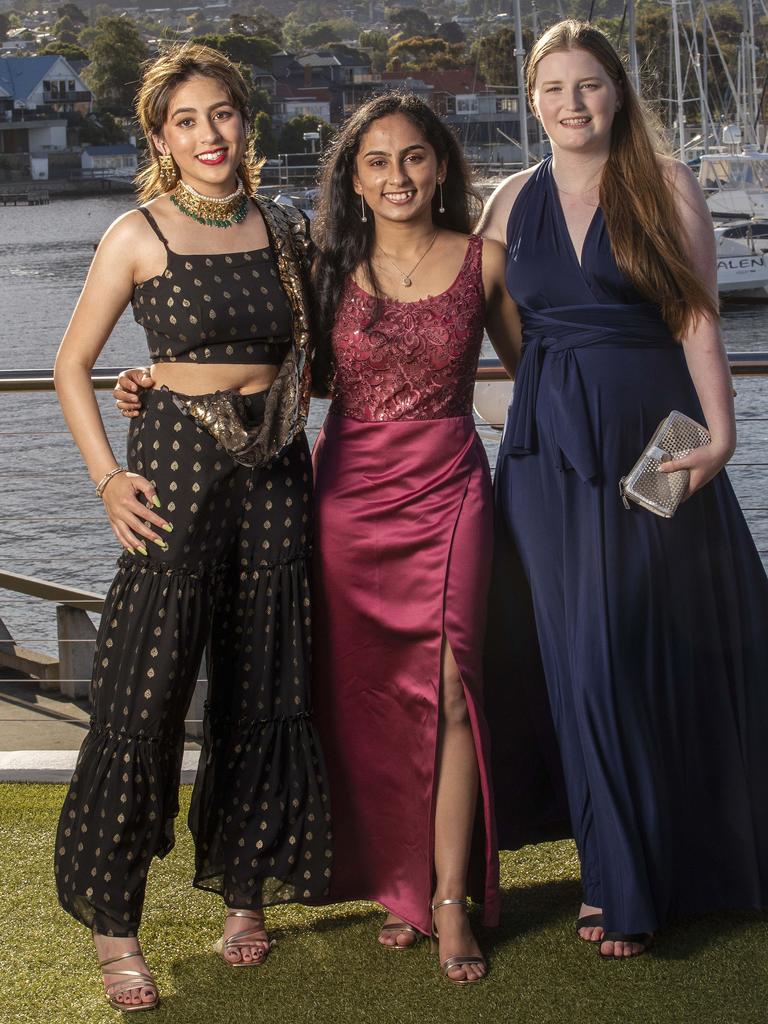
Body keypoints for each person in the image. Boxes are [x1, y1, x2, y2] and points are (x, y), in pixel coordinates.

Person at [480, 19, 768, 959]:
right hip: (544, 462)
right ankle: (618, 882)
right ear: (532, 99)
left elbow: (693, 319)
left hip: (657, 443)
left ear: (618, 94)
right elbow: (495, 329)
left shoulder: (665, 184)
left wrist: (720, 436)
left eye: (591, 85)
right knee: (578, 660)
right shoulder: (507, 200)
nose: (573, 103)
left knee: (645, 647)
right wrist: (531, 407)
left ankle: (688, 860)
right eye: (555, 87)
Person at [53, 43, 331, 1012]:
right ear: (161, 138)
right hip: (172, 469)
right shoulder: (139, 233)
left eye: (223, 114)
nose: (210, 134)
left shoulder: (282, 226)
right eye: (187, 121)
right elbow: (71, 363)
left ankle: (244, 893)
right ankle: (114, 925)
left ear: (245, 123)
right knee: (147, 686)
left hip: (278, 466)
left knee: (265, 679)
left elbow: (321, 359)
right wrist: (104, 478)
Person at [309, 94, 519, 984]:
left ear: (442, 168)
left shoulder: (488, 260)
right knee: (363, 692)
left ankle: (446, 896)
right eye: (377, 162)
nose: (398, 177)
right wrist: (149, 379)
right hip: (348, 499)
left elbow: (540, 376)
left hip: (450, 487)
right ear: (353, 180)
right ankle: (395, 883)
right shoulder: (325, 271)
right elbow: (259, 369)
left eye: (415, 159)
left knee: (451, 683)